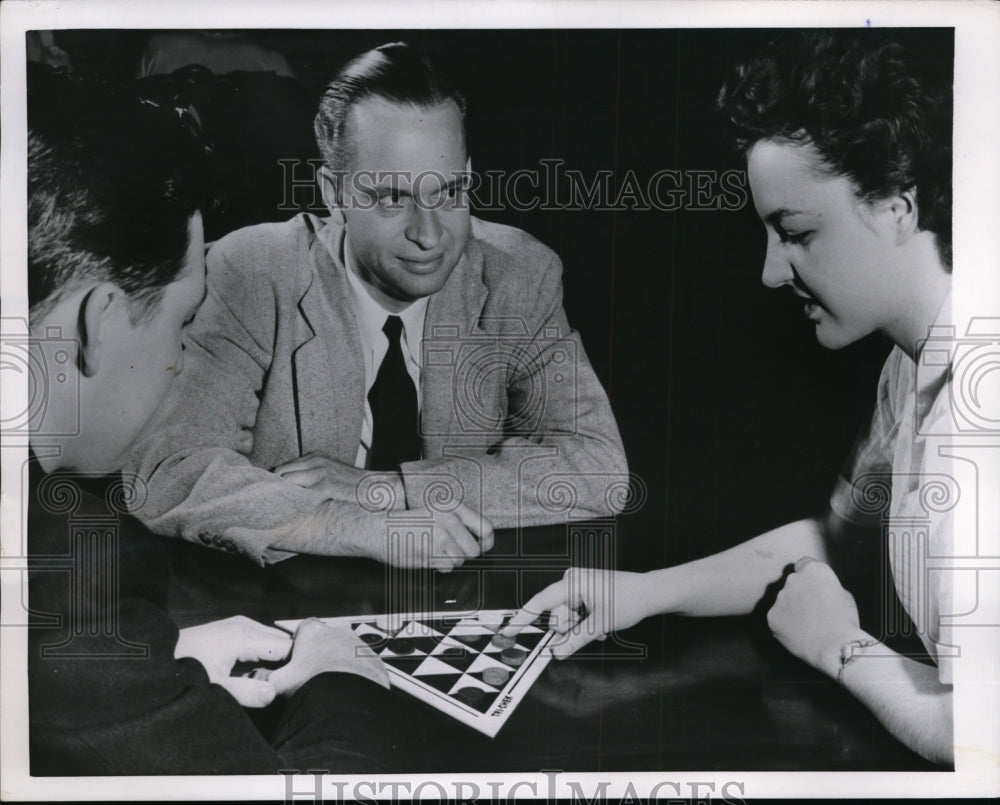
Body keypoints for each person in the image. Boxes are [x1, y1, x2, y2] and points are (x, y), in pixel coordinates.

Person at [503, 30, 956, 766]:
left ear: (899, 207)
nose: (772, 271)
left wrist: (841, 647)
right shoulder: (911, 366)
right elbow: (838, 542)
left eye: (796, 232)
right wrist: (645, 592)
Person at [125, 42, 628, 569]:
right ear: (334, 194)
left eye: (451, 192)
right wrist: (357, 525)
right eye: (392, 198)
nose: (430, 235)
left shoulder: (517, 273)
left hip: (453, 601)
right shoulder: (253, 271)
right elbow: (167, 469)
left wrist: (383, 491)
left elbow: (599, 469)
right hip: (288, 612)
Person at [26, 66, 399, 775]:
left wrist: (149, 665)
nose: (180, 358)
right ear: (97, 322)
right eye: (182, 318)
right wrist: (337, 679)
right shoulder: (67, 573)